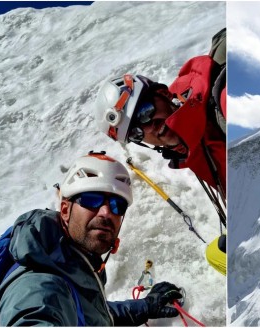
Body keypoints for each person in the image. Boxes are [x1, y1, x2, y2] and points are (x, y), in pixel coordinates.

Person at [0, 151, 183, 326]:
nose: (106, 212)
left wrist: (145, 307)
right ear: (65, 210)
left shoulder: (70, 262)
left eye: (117, 205)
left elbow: (90, 315)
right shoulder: (40, 289)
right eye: (91, 200)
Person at [95, 28, 227, 275]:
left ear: (163, 93)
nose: (149, 126)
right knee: (214, 255)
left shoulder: (221, 101)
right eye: (136, 131)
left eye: (144, 111)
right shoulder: (193, 145)